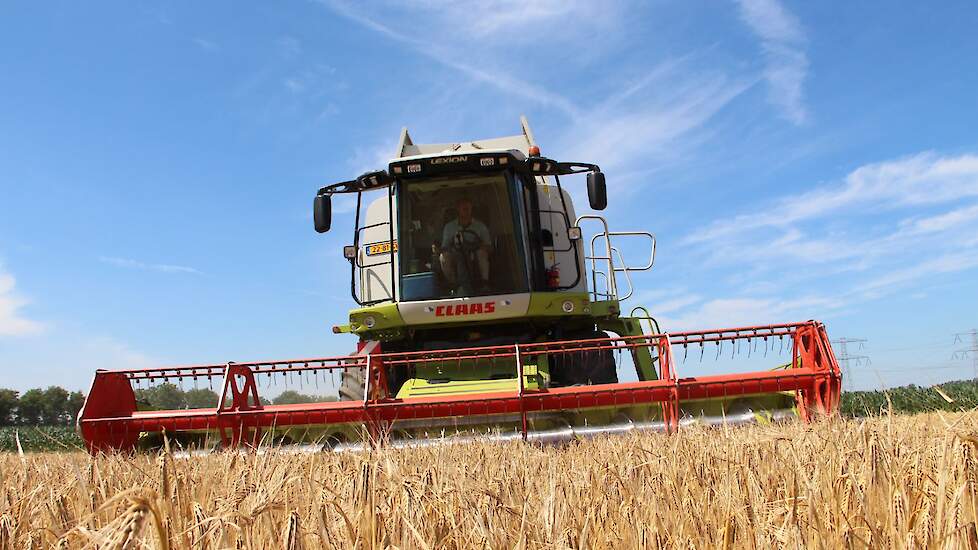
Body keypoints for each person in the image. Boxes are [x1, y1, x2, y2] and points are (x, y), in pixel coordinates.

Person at [433, 197, 491, 292]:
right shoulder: (449, 227)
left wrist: (482, 247)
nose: (466, 210)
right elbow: (445, 247)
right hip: (455, 255)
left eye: (468, 208)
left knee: (482, 253)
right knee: (444, 257)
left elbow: (489, 246)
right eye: (463, 208)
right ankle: (454, 285)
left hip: (474, 255)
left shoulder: (480, 226)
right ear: (458, 209)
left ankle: (485, 283)